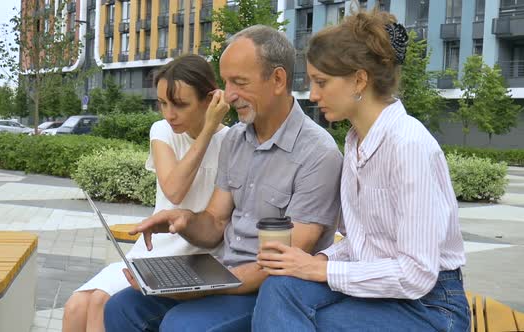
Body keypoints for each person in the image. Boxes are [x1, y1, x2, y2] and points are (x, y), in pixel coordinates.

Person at [103, 25, 343, 332]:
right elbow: (215, 223)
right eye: (226, 82)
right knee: (121, 309)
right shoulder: (237, 139)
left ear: (278, 80)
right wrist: (182, 220)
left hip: (268, 291)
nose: (228, 96)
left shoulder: (318, 153)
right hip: (222, 274)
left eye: (239, 83)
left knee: (182, 325)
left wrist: (205, 287)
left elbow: (287, 261)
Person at [253, 9, 470, 331]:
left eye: (321, 82)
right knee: (279, 286)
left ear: (359, 79)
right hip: (380, 290)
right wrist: (320, 261)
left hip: (432, 305)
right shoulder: (357, 142)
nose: (312, 95)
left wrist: (321, 272)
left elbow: (416, 274)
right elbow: (367, 242)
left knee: (322, 321)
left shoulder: (409, 147)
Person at [62, 54, 231, 332]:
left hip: (198, 259)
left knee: (100, 303)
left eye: (179, 104)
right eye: (163, 103)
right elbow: (173, 186)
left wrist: (210, 128)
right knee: (76, 306)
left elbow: (177, 194)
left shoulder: (232, 141)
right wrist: (206, 131)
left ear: (210, 100)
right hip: (152, 255)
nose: (169, 114)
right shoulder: (162, 131)